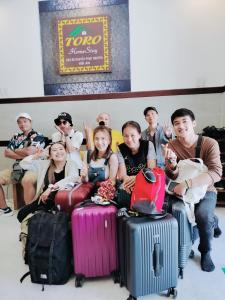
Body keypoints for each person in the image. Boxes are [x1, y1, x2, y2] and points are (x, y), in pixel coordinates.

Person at [164, 108, 222, 272]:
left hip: (206, 189)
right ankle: (211, 223)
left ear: (194, 123)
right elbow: (173, 176)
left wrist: (188, 183)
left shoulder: (209, 143)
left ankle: (205, 251)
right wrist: (172, 165)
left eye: (184, 121)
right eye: (176, 123)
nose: (181, 126)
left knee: (202, 215)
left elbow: (216, 173)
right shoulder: (171, 145)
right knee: (175, 212)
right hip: (183, 189)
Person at [0, 113, 45, 216]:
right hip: (17, 168)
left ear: (30, 122)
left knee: (27, 181)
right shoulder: (16, 136)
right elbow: (7, 153)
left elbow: (30, 151)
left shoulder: (38, 136)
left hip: (33, 168)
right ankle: (5, 209)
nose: (22, 124)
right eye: (19, 122)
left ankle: (30, 212)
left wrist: (15, 150)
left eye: (25, 121)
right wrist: (23, 153)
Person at [19, 142, 80, 208]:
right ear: (50, 155)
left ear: (66, 152)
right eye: (54, 150)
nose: (58, 152)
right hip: (43, 199)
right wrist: (38, 155)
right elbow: (23, 164)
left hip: (61, 202)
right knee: (21, 214)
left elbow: (73, 178)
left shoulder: (72, 164)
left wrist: (50, 189)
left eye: (61, 149)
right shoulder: (44, 164)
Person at [117, 121, 156, 208]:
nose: (129, 139)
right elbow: (122, 174)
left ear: (139, 135)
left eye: (132, 135)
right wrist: (127, 182)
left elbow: (151, 169)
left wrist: (138, 179)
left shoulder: (148, 145)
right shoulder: (120, 149)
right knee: (123, 191)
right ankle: (126, 217)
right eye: (126, 136)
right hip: (128, 181)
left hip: (145, 179)